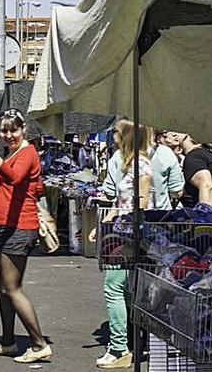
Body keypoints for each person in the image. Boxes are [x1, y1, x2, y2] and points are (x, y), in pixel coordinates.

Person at [0, 109, 52, 364]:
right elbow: (24, 184)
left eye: (14, 130)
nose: (9, 135)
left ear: (24, 130)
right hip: (4, 225)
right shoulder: (15, 152)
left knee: (12, 287)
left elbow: (15, 176)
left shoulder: (28, 152)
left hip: (20, 227)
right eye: (4, 131)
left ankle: (39, 344)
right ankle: (8, 341)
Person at [92, 120, 152, 369]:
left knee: (113, 288)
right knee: (125, 290)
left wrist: (122, 221)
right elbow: (121, 201)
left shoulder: (141, 166)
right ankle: (130, 341)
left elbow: (143, 204)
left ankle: (119, 348)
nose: (112, 135)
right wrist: (103, 225)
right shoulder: (127, 163)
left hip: (130, 237)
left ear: (126, 135)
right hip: (120, 233)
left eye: (116, 131)